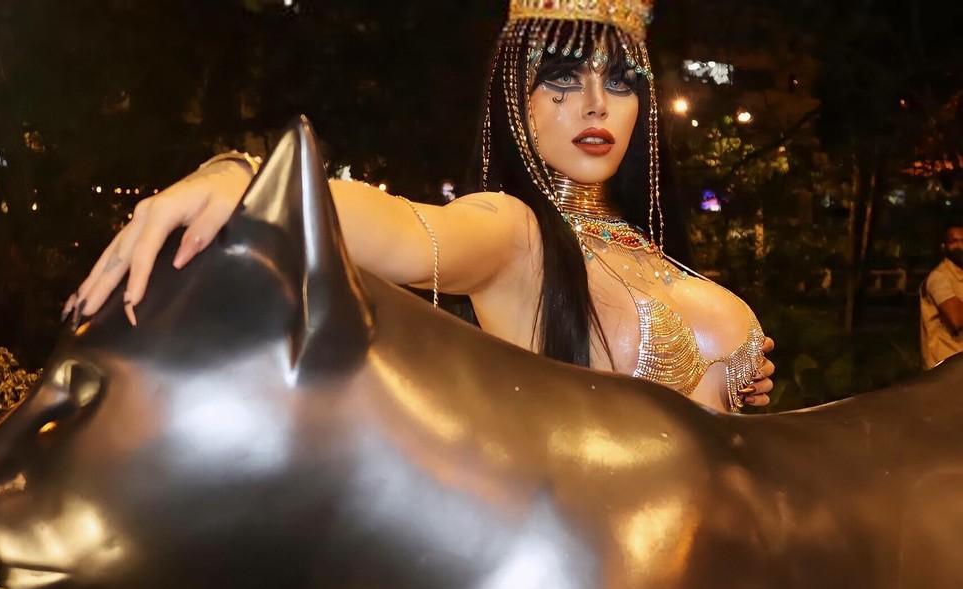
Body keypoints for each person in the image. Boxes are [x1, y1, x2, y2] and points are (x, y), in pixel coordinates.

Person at [62, 0, 776, 413]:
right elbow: (405, 230)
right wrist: (242, 180)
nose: (595, 104)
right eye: (561, 79)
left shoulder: (638, 243)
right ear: (515, 100)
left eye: (619, 82)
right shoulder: (515, 232)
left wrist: (733, 377)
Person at [920, 222, 963, 369]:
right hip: (945, 370)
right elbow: (956, 318)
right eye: (954, 241)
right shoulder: (939, 278)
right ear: (944, 247)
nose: (960, 246)